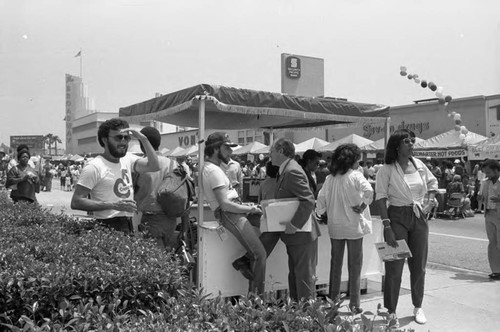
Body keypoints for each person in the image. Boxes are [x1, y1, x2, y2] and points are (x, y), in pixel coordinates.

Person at [375, 129, 438, 327]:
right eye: (407, 141)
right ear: (396, 146)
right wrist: (387, 226)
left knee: (418, 265)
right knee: (394, 266)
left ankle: (418, 306)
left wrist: (429, 199)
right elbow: (381, 198)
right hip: (396, 217)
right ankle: (391, 311)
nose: (411, 144)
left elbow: (433, 182)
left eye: (412, 141)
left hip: (419, 217)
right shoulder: (386, 169)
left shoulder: (419, 165)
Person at [201, 132, 266, 295]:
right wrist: (249, 209)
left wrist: (245, 206)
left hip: (232, 212)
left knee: (265, 239)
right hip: (230, 214)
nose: (231, 152)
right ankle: (256, 302)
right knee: (259, 254)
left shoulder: (212, 169)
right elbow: (225, 204)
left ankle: (245, 269)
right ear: (216, 149)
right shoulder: (213, 171)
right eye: (227, 148)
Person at [71, 118, 159, 233]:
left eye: (126, 138)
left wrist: (143, 139)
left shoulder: (128, 159)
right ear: (105, 140)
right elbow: (77, 201)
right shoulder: (94, 167)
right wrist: (113, 205)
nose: (123, 142)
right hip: (106, 225)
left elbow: (154, 166)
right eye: (118, 137)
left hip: (127, 223)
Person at [259, 138, 320, 301]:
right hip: (295, 236)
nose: (269, 154)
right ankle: (298, 313)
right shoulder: (286, 170)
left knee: (304, 278)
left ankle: (307, 317)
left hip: (302, 234)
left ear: (280, 151)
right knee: (295, 276)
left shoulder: (292, 171)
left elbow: (308, 200)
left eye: (271, 151)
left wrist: (294, 224)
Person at [316, 144, 373, 314]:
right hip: (353, 225)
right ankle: (354, 304)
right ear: (353, 160)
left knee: (336, 264)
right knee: (355, 265)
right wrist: (362, 206)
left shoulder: (330, 178)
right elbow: (369, 191)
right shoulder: (355, 176)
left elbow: (321, 200)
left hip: (335, 225)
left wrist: (324, 213)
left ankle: (333, 302)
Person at [132, 126, 177, 250]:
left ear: (142, 145)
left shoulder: (141, 165)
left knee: (153, 261)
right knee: (166, 256)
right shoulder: (173, 163)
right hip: (170, 218)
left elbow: (134, 191)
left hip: (150, 217)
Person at [477, 159, 500, 280]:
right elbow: (481, 197)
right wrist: (479, 198)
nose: (487, 175)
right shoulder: (485, 182)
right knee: (492, 243)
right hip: (489, 214)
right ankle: (496, 270)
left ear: (496, 170)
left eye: (489, 172)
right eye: (485, 172)